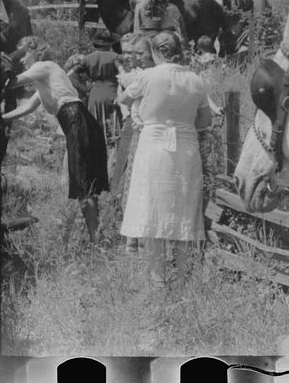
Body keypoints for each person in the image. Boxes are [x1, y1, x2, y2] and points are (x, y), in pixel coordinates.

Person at [119, 31, 213, 289]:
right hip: (186, 148)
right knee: (185, 209)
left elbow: (123, 99)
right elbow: (205, 121)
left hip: (153, 146)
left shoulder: (147, 77)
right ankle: (182, 279)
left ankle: (158, 278)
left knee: (152, 207)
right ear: (179, 50)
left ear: (157, 52)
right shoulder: (196, 79)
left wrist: (144, 109)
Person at [1, 36, 109, 241]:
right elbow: (28, 107)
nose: (22, 60)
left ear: (35, 51)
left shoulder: (44, 66)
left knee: (84, 184)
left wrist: (1, 67)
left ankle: (96, 238)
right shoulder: (45, 79)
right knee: (85, 184)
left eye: (24, 55)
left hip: (76, 120)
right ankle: (96, 236)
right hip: (78, 121)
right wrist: (2, 118)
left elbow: (13, 82)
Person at [112, 32, 154, 254]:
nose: (131, 56)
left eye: (137, 52)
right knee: (130, 181)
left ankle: (141, 240)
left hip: (145, 131)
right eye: (128, 52)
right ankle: (133, 239)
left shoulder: (142, 76)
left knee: (141, 184)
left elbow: (125, 95)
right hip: (136, 129)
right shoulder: (138, 74)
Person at [78, 30, 123, 147]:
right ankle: (113, 151)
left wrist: (84, 89)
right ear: (110, 44)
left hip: (95, 93)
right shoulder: (115, 57)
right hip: (111, 92)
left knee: (95, 125)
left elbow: (70, 75)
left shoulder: (88, 58)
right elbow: (123, 74)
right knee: (114, 125)